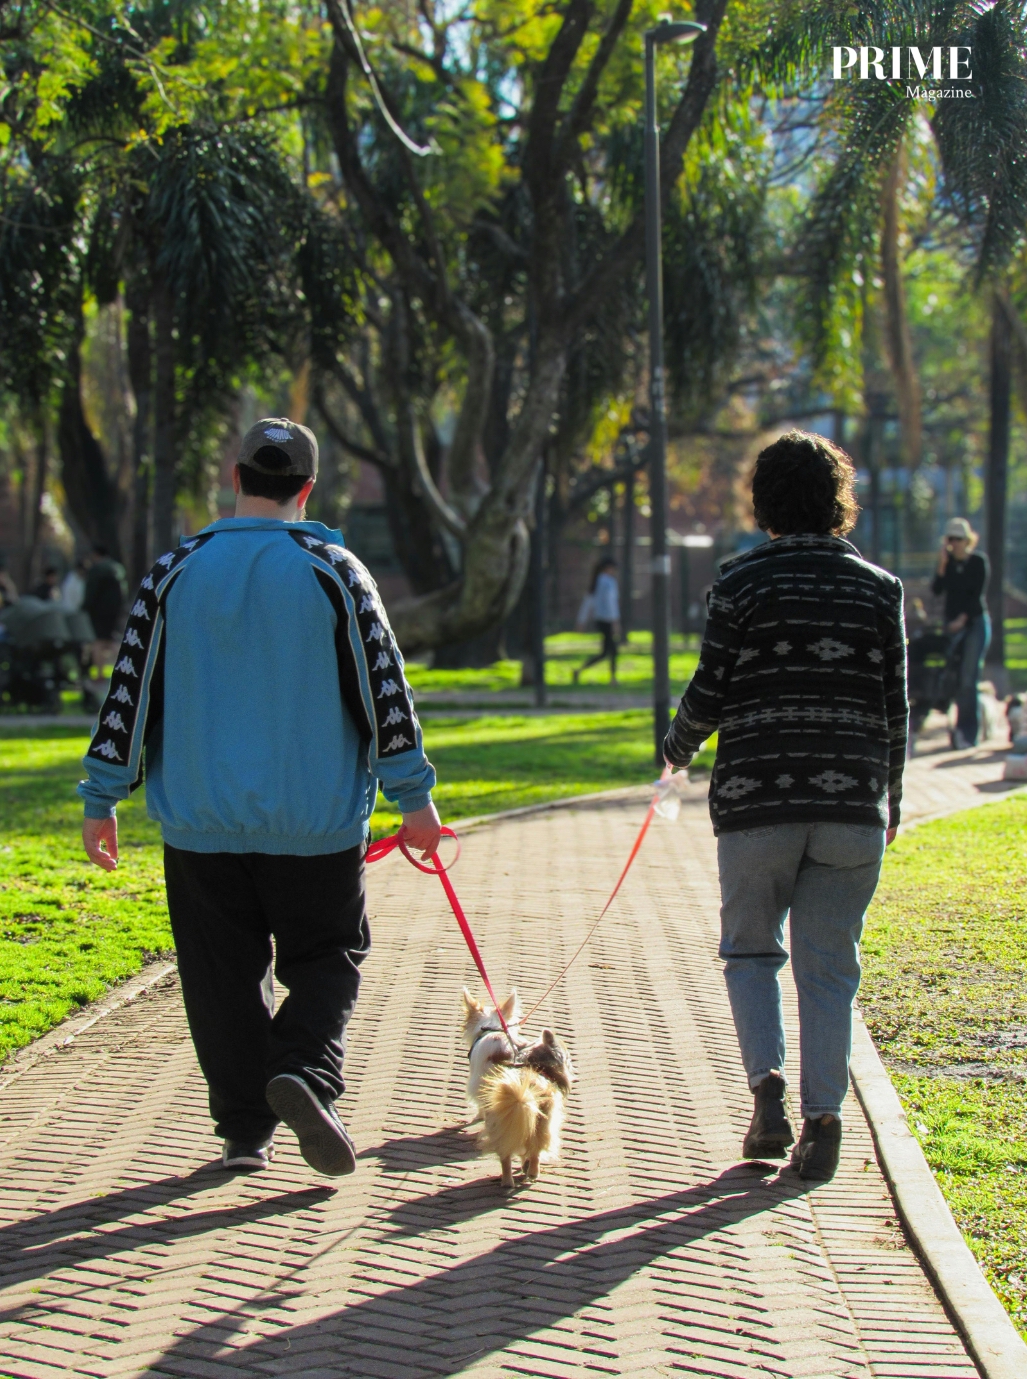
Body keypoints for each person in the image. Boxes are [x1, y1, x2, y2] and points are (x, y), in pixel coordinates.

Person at [79, 418, 441, 1177]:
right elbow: (386, 694)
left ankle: (245, 1131)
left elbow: (129, 693)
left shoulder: (173, 571)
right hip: (315, 820)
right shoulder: (335, 569)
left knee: (220, 975)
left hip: (201, 821)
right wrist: (414, 798)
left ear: (235, 476)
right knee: (328, 955)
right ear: (306, 488)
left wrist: (102, 795)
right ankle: (304, 1070)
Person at [664, 430, 907, 1183]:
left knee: (750, 950)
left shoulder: (738, 583)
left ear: (763, 500)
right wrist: (888, 796)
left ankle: (766, 1094)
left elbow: (710, 689)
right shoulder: (880, 589)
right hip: (850, 805)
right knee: (829, 969)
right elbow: (894, 707)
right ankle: (823, 1121)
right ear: (838, 500)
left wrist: (675, 750)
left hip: (755, 801)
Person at [932, 517, 990, 749]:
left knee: (968, 677)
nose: (954, 543)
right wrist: (941, 565)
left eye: (959, 538)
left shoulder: (978, 562)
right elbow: (937, 590)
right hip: (952, 623)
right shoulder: (947, 564)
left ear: (968, 540)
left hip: (974, 623)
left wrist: (961, 620)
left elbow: (976, 595)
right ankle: (957, 730)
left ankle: (969, 733)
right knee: (953, 677)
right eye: (950, 539)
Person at [573, 556, 620, 684]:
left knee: (607, 651)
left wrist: (581, 620)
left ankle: (580, 671)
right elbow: (611, 603)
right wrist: (615, 621)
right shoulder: (608, 582)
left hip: (600, 619)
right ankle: (612, 678)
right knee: (611, 650)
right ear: (608, 568)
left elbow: (588, 602)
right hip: (608, 619)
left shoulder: (596, 581)